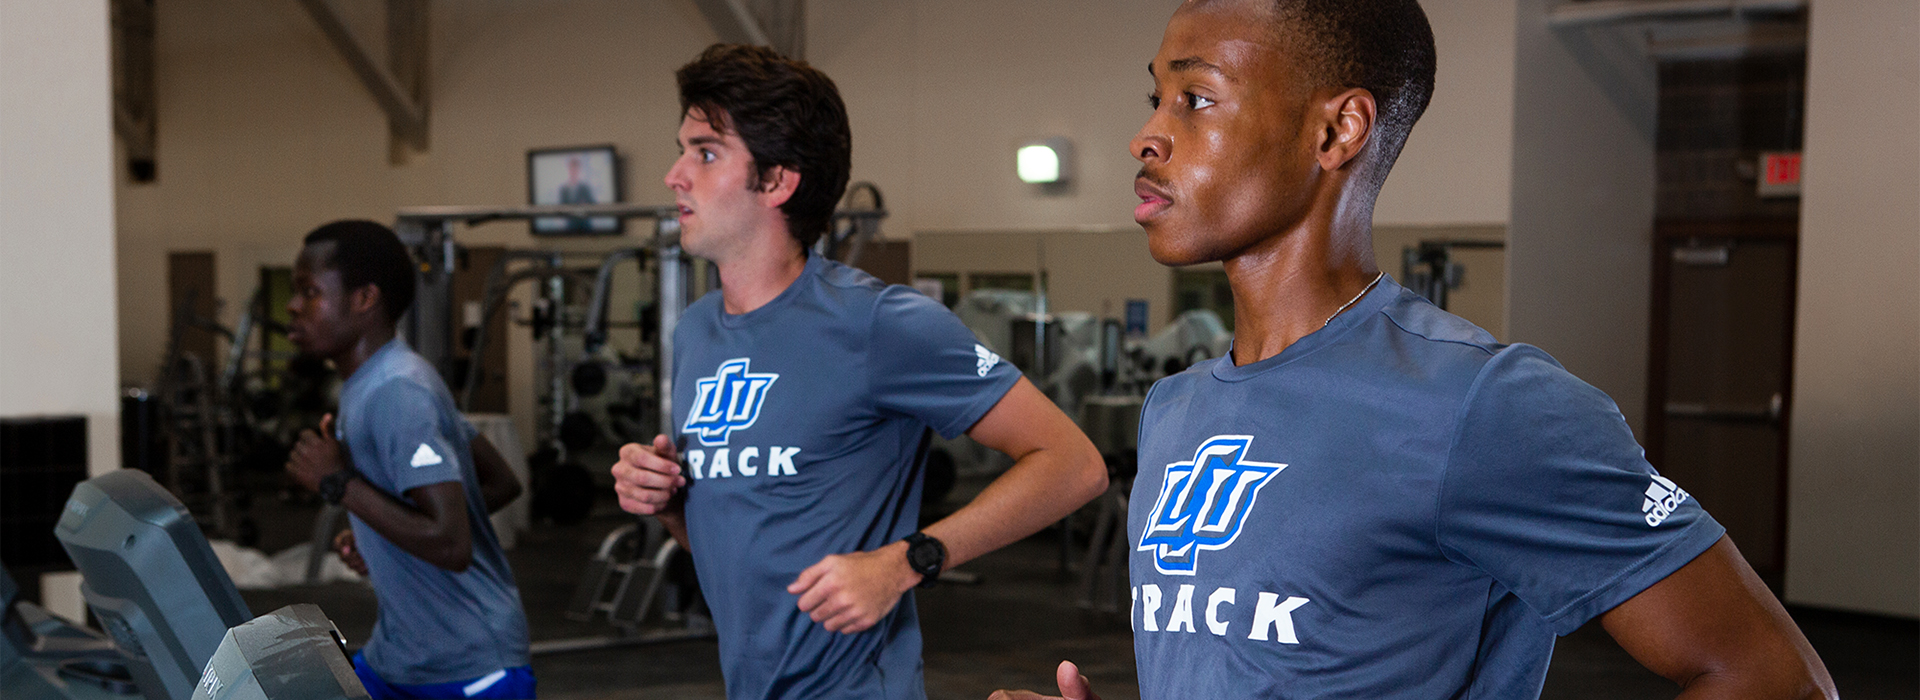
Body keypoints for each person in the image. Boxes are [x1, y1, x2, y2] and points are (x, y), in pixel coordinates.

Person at [994, 1, 1836, 699]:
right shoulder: (1177, 407)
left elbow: (1772, 677)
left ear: (1337, 131)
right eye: (1155, 97)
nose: (1147, 135)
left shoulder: (1483, 403)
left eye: (1196, 99)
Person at [609, 44, 1108, 700]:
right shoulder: (697, 331)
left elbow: (1074, 465)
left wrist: (908, 561)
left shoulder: (879, 324)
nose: (674, 175)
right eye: (682, 151)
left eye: (704, 154)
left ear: (777, 181)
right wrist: (672, 504)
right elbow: (740, 551)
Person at [283, 220, 536, 700]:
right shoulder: (375, 381)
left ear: (364, 299)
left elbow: (451, 543)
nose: (294, 306)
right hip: (402, 657)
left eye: (310, 291)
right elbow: (498, 481)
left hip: (467, 663)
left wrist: (338, 483)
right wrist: (386, 534)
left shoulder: (398, 390)